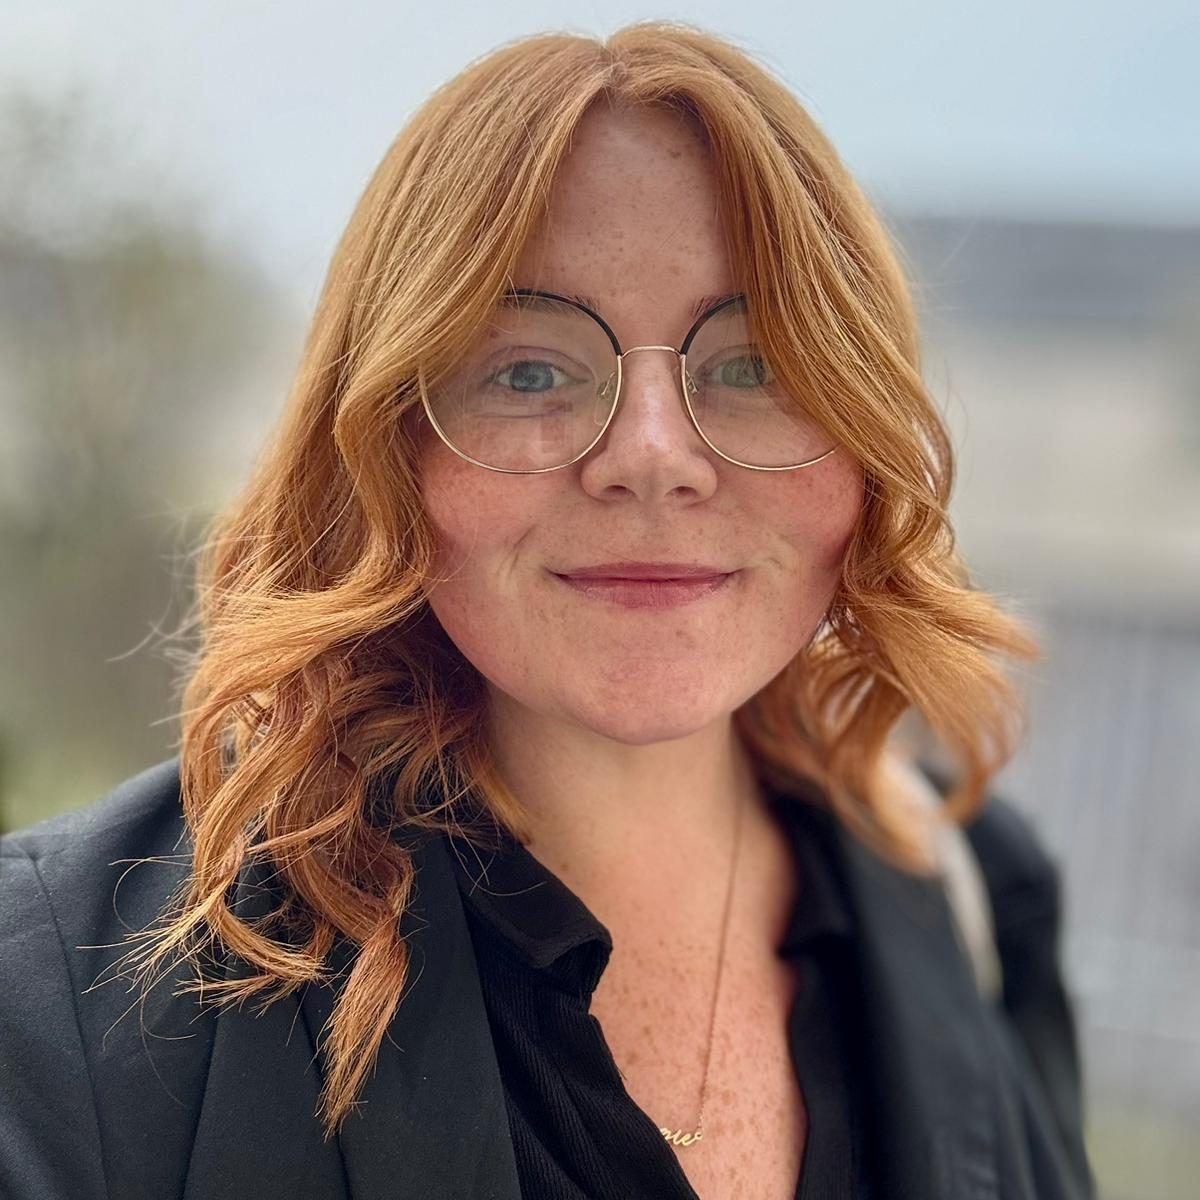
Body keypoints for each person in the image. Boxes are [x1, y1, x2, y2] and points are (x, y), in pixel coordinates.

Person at [0, 21, 1096, 1200]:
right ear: (381, 443)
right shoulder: (53, 1005)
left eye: (754, 366)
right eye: (529, 370)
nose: (655, 458)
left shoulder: (979, 902)